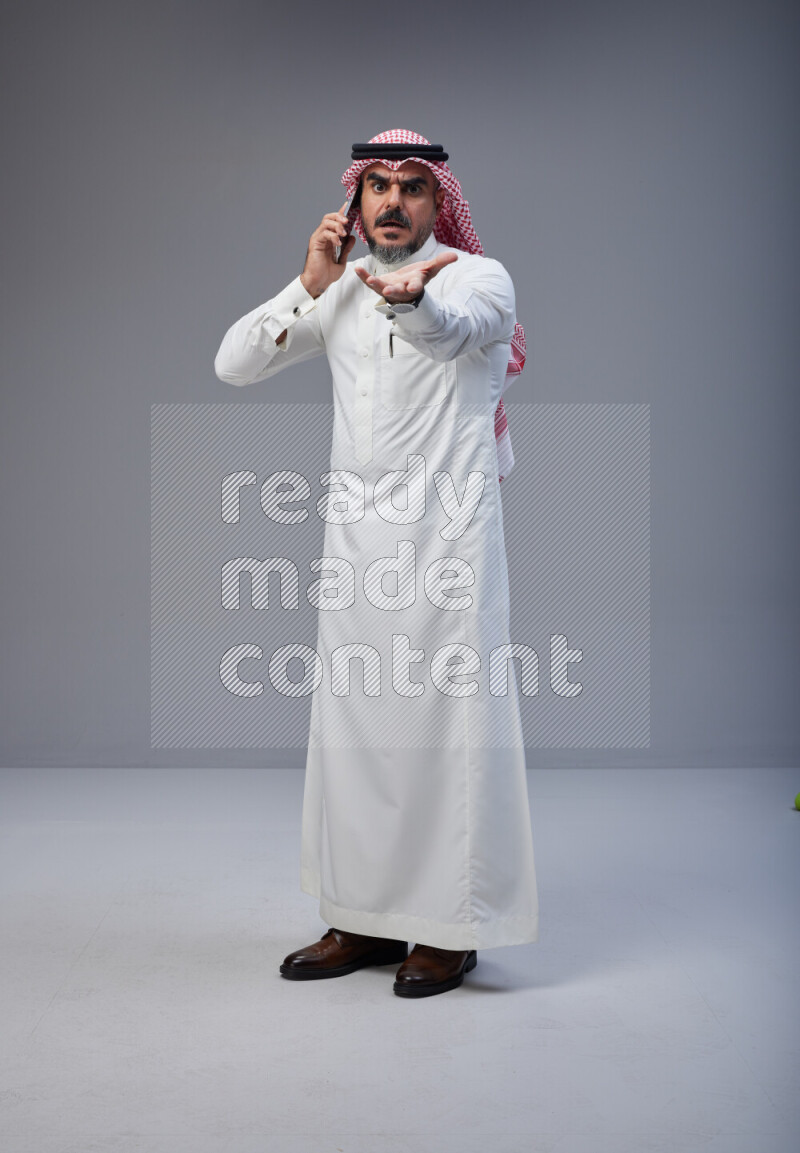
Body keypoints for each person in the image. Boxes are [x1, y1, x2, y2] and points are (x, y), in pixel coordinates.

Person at [215, 129, 539, 998]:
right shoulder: (341, 289)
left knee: (446, 733)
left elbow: (454, 334)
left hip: (449, 548)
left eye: (413, 187)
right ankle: (360, 917)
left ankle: (449, 930)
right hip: (356, 551)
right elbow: (234, 362)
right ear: (356, 201)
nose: (394, 201)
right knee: (357, 734)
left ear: (439, 203)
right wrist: (308, 285)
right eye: (379, 186)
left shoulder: (479, 278)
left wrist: (411, 300)